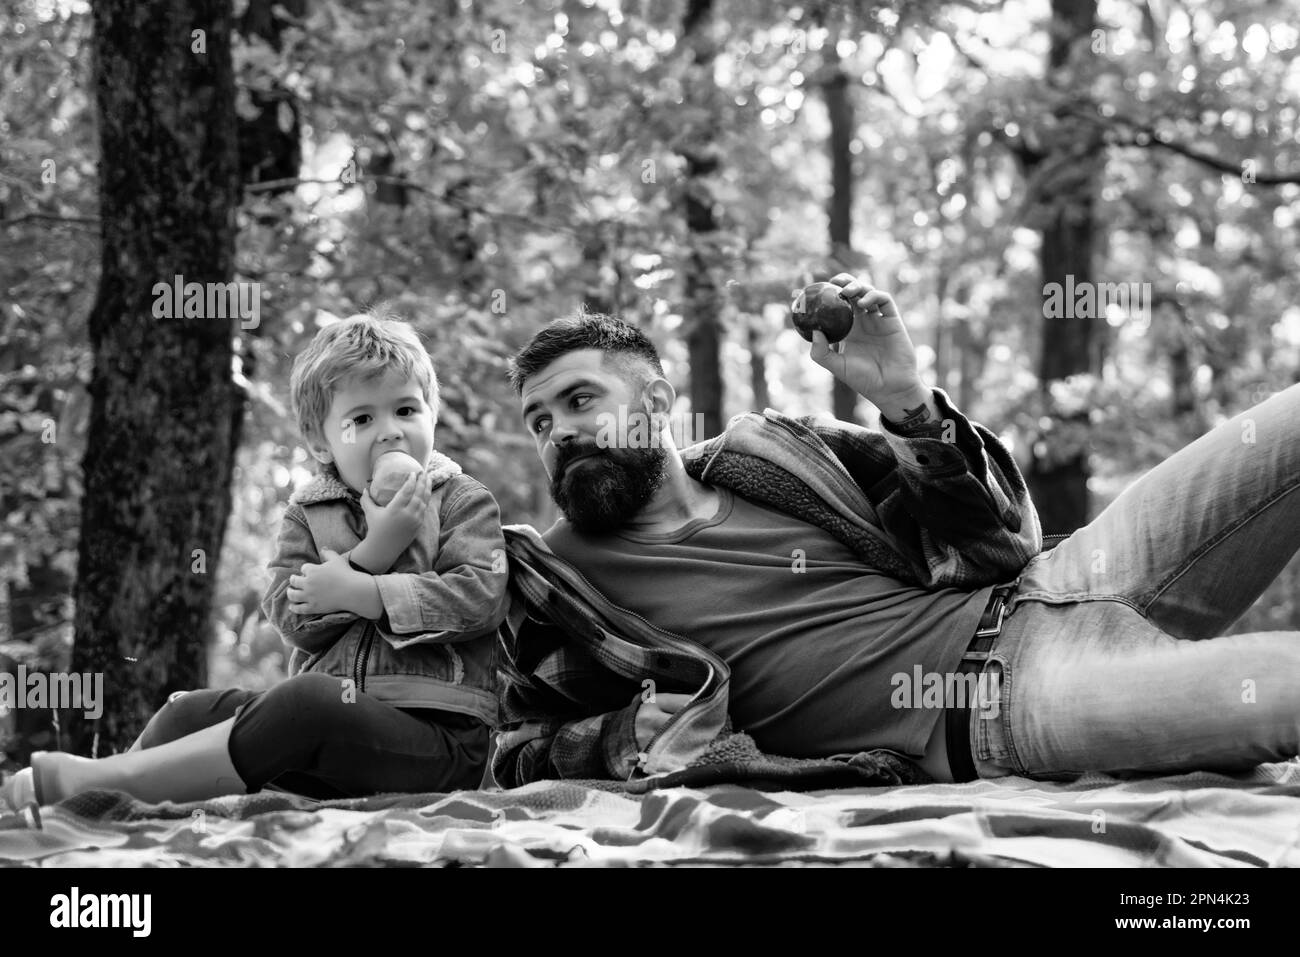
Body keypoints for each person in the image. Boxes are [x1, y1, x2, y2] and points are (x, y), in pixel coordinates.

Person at [492, 273, 1300, 788]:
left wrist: (910, 402)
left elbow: (997, 544)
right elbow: (505, 741)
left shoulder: (770, 453)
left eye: (579, 400)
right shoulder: (551, 579)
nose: (558, 430)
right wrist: (617, 737)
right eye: (538, 419)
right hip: (1001, 703)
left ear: (658, 404)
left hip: (1060, 577)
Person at [2, 311, 507, 810]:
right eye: (361, 419)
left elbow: (481, 598)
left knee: (309, 701)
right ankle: (93, 801)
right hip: (330, 752)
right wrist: (370, 555)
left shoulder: (462, 500)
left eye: (406, 410)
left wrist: (367, 591)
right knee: (189, 711)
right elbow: (291, 617)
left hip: (438, 742)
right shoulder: (310, 515)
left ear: (432, 415)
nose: (391, 433)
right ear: (320, 442)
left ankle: (107, 787)